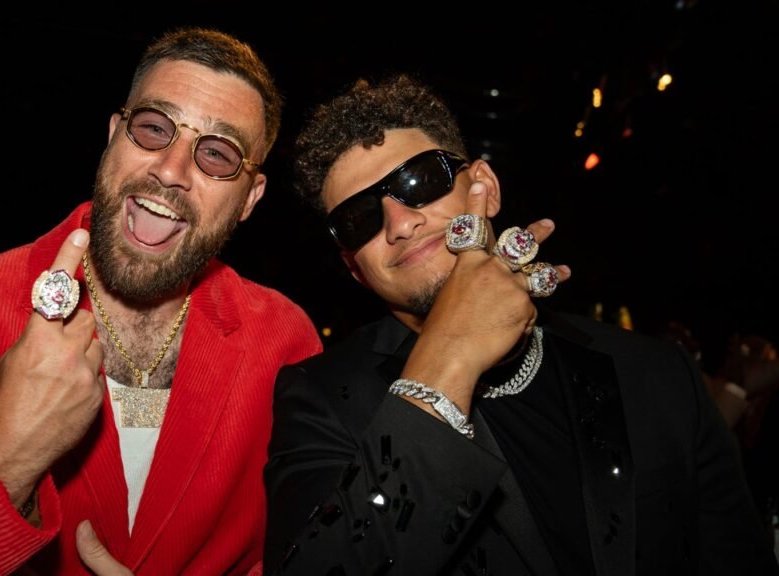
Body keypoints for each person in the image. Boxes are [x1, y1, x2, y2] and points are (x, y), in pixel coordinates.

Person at [0, 27, 321, 575]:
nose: (171, 170)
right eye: (154, 128)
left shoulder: (284, 342)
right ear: (114, 136)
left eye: (218, 155)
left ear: (249, 198)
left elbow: (303, 554)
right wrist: (5, 454)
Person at [262, 75, 779, 575]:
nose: (400, 223)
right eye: (359, 219)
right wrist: (450, 355)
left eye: (420, 181)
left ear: (483, 186)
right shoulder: (321, 401)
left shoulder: (653, 370)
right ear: (355, 268)